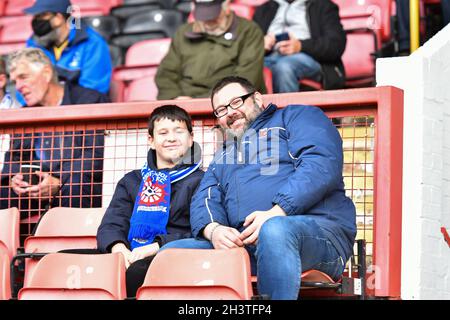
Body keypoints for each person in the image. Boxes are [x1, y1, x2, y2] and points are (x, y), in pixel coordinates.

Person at [161, 76, 356, 300]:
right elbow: (204, 197)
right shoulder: (224, 154)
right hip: (247, 247)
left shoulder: (296, 116)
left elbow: (321, 163)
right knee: (171, 253)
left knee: (274, 230)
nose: (229, 112)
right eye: (221, 110)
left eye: (236, 102)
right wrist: (214, 230)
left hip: (318, 236)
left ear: (257, 98)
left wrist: (278, 210)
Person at [96, 105, 204, 298]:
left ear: (190, 138)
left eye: (178, 131)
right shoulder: (131, 181)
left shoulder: (203, 181)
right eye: (163, 133)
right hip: (128, 253)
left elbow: (201, 232)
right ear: (151, 141)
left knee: (135, 273)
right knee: (60, 261)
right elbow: (112, 224)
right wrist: (119, 249)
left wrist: (156, 246)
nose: (171, 138)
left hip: (172, 254)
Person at [0, 48, 108, 218]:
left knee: (76, 186)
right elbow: (12, 159)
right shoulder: (24, 112)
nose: (18, 87)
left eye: (23, 77)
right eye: (15, 82)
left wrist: (58, 180)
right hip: (35, 189)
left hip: (74, 183)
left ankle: (68, 245)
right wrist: (15, 178)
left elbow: (96, 153)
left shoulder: (89, 101)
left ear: (47, 73)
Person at [155, 0, 266, 100]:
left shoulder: (249, 31)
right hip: (184, 104)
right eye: (202, 15)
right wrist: (176, 98)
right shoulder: (183, 33)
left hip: (228, 102)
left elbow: (247, 78)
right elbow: (166, 74)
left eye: (213, 15)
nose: (208, 21)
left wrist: (209, 101)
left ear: (226, 6)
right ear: (193, 8)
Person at [253, 0, 346, 92]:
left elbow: (336, 45)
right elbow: (247, 48)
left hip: (309, 57)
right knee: (248, 69)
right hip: (268, 57)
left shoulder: (323, 5)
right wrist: (260, 45)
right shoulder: (264, 9)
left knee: (285, 67)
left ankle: (289, 107)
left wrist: (301, 45)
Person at [24, 0, 112, 94]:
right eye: (35, 17)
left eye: (41, 16)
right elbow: (25, 84)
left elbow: (92, 93)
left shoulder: (92, 44)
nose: (36, 21)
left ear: (59, 17)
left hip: (79, 107)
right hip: (43, 107)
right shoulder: (34, 43)